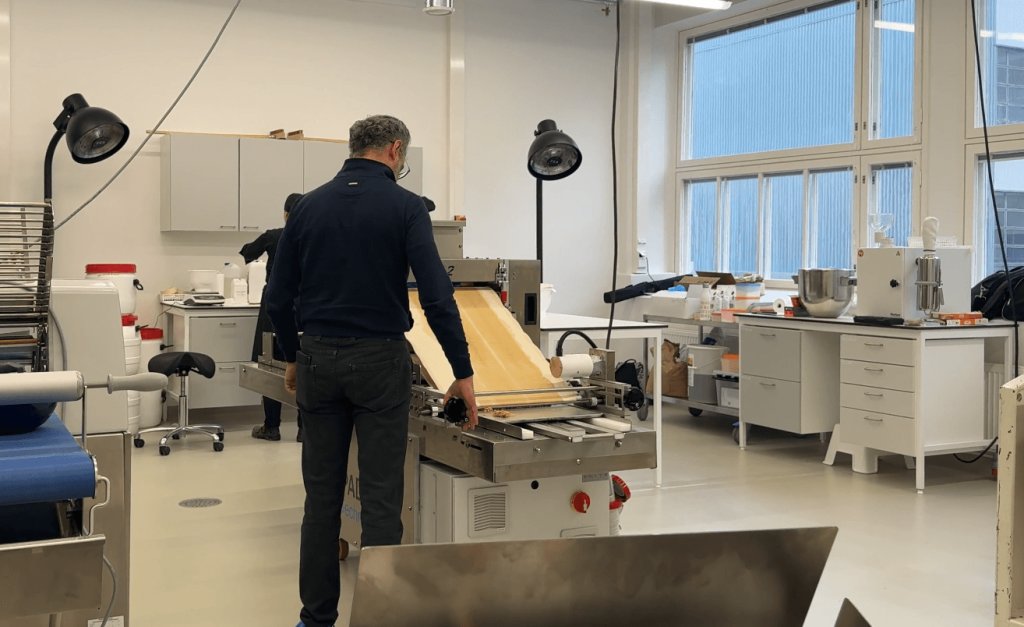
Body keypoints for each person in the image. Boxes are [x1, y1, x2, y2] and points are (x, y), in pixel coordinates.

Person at [265, 114, 478, 627]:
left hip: (318, 360)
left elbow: (276, 297)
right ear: (395, 150)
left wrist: (293, 356)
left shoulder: (309, 206)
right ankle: (382, 617)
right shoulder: (406, 208)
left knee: (321, 500)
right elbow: (436, 295)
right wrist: (461, 372)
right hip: (381, 362)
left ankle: (315, 619)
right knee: (383, 501)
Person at [240, 192, 305, 443]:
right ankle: (304, 428)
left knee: (270, 364)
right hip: (306, 306)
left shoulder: (274, 235)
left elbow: (247, 252)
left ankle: (272, 426)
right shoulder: (314, 237)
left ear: (285, 214)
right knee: (302, 361)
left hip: (275, 303)